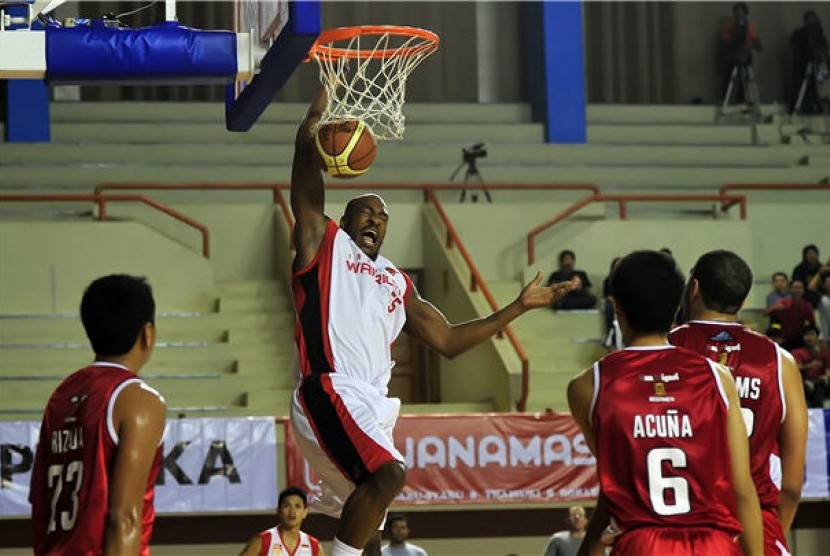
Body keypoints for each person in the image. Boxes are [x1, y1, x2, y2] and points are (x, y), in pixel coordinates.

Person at [288, 89, 578, 556]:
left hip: (371, 404)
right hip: (330, 389)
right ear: (345, 218)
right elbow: (303, 182)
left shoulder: (397, 281)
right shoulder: (324, 243)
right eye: (366, 212)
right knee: (390, 474)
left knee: (371, 530)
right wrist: (313, 120)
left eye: (383, 218)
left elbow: (449, 340)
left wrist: (516, 308)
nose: (376, 221)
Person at [568, 250, 763, 556]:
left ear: (615, 306)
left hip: (644, 543)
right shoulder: (718, 377)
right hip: (715, 544)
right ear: (678, 305)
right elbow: (742, 489)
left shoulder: (587, 386)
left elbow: (614, 488)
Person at [669, 250, 808, 553]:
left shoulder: (664, 348)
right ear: (742, 301)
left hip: (683, 528)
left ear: (693, 289)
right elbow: (793, 486)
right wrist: (766, 533)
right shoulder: (779, 361)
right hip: (757, 525)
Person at [29, 275, 166, 556]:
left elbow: (40, 502)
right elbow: (124, 517)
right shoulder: (139, 399)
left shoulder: (62, 394)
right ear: (147, 333)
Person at [238, 486, 324, 556]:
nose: (292, 511)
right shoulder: (263, 540)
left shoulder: (313, 545)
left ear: (305, 512)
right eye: (286, 506)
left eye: (297, 506)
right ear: (278, 510)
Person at [720, 2, 763, 104]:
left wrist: (752, 46)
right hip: (732, 56)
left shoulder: (750, 28)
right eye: (737, 12)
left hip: (746, 56)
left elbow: (757, 44)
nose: (739, 14)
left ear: (745, 13)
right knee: (728, 79)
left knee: (745, 80)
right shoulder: (729, 27)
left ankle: (742, 101)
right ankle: (725, 100)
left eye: (741, 12)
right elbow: (725, 41)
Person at [790, 10, 829, 114]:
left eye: (815, 19)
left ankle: (824, 109)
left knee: (823, 87)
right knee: (805, 90)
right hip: (804, 66)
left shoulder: (820, 34)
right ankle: (806, 109)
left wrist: (822, 55)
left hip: (820, 66)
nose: (813, 22)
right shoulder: (799, 34)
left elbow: (824, 48)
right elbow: (795, 49)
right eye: (810, 19)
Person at [767, 279, 816, 351]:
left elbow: (812, 325)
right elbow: (772, 321)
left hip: (801, 341)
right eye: (795, 287)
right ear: (790, 289)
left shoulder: (807, 306)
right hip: (783, 341)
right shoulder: (782, 303)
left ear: (803, 290)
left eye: (800, 288)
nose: (797, 290)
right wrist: (777, 336)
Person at [791, 324, 830, 408]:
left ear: (817, 337)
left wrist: (825, 377)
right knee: (813, 388)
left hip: (820, 383)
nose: (809, 338)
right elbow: (796, 369)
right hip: (803, 382)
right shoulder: (797, 352)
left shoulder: (824, 353)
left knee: (819, 388)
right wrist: (809, 366)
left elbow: (828, 372)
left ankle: (814, 384)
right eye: (806, 335)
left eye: (812, 334)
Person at [792, 244, 824, 308]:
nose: (813, 256)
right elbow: (797, 287)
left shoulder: (822, 268)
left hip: (821, 297)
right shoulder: (799, 269)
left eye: (815, 253)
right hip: (804, 296)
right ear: (805, 256)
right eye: (810, 253)